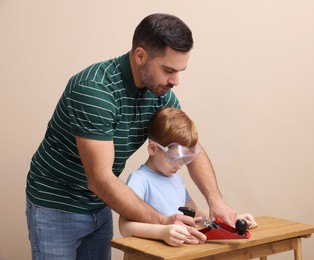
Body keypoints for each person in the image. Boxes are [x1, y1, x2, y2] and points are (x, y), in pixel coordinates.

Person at [25, 13, 236, 260]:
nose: (175, 81)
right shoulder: (95, 90)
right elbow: (101, 179)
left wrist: (216, 201)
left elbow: (190, 146)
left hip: (100, 204)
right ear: (140, 56)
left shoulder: (160, 93)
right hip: (57, 206)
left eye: (180, 71)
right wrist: (162, 222)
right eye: (168, 70)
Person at [119, 107, 257, 246]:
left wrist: (230, 221)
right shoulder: (139, 180)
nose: (180, 166)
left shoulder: (174, 177)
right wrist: (162, 232)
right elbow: (124, 227)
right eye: (175, 159)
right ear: (153, 149)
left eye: (184, 160)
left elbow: (195, 214)